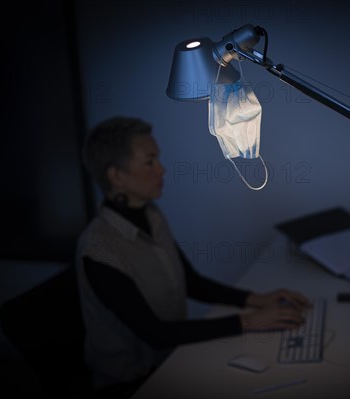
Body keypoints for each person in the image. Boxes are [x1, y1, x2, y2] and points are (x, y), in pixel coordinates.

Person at [76, 116, 310, 397]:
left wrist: (256, 299)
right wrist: (252, 322)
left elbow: (191, 281)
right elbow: (156, 334)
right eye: (150, 162)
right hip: (132, 382)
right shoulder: (99, 248)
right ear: (117, 176)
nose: (162, 169)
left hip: (172, 358)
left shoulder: (150, 214)